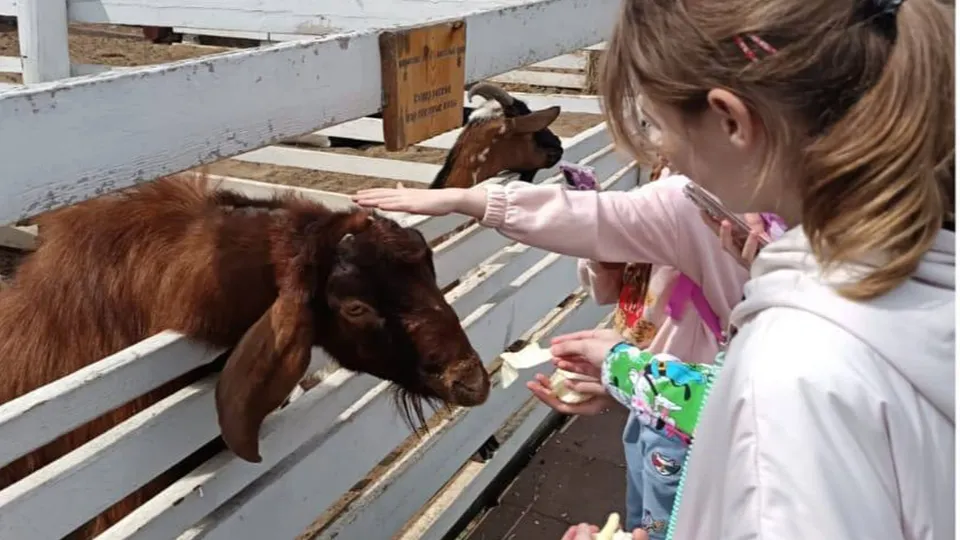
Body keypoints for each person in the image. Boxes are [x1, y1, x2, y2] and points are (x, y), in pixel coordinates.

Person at [549, 0, 955, 538]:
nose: (661, 149)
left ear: (730, 120)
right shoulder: (927, 261)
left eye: (657, 124)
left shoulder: (794, 370)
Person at [352, 168, 778, 538]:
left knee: (671, 517)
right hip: (664, 401)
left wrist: (472, 201)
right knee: (648, 514)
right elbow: (628, 265)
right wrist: (623, 383)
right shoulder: (706, 192)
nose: (660, 144)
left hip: (685, 421)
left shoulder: (696, 198)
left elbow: (599, 219)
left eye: (663, 126)